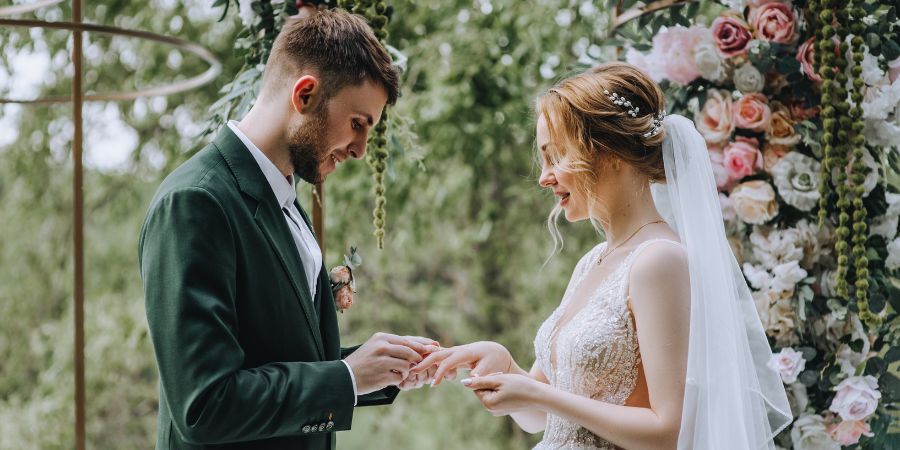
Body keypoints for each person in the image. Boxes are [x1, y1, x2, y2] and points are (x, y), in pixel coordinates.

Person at [412, 62, 792, 450]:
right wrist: (504, 364)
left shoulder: (659, 261)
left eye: (556, 155)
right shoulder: (592, 261)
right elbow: (539, 417)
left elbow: (668, 432)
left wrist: (539, 395)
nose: (544, 176)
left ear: (610, 153)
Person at [138, 9, 436, 450]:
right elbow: (205, 405)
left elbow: (279, 361)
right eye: (358, 124)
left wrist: (379, 368)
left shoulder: (286, 203)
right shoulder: (195, 203)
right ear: (306, 94)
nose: (359, 151)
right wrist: (347, 377)